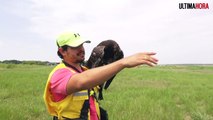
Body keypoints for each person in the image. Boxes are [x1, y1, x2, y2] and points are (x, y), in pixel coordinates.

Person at [43, 32, 158, 120]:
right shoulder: (59, 74)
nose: (81, 49)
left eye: (82, 45)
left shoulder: (84, 71)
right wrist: (123, 62)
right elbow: (82, 81)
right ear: (62, 51)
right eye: (75, 46)